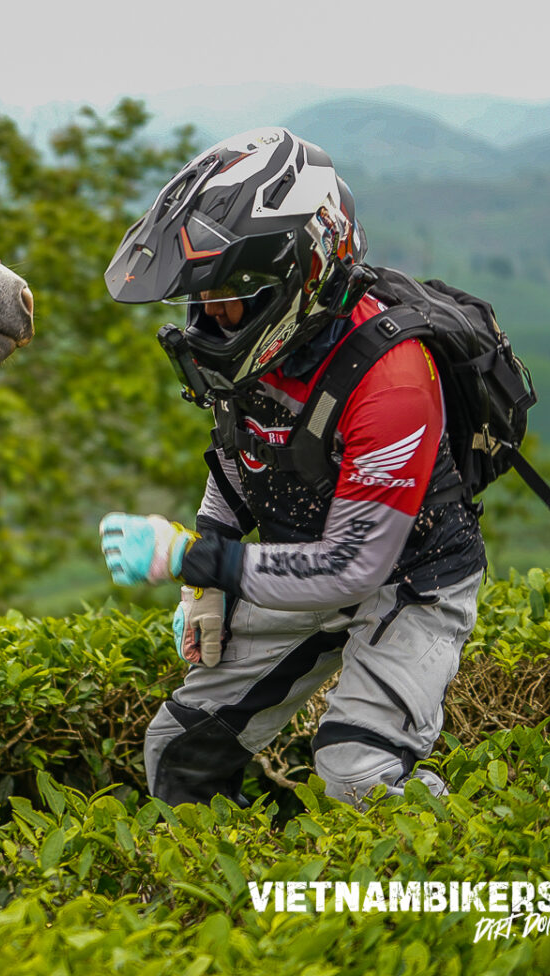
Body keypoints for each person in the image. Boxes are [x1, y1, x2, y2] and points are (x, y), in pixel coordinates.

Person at [96, 127, 484, 808]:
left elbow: (356, 566)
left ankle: (456, 861)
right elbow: (239, 459)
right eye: (202, 299)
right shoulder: (263, 347)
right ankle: (228, 901)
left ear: (298, 276)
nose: (211, 319)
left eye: (229, 297)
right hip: (305, 560)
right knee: (179, 751)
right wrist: (208, 574)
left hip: (410, 576)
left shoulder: (393, 378)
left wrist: (194, 561)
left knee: (356, 772)